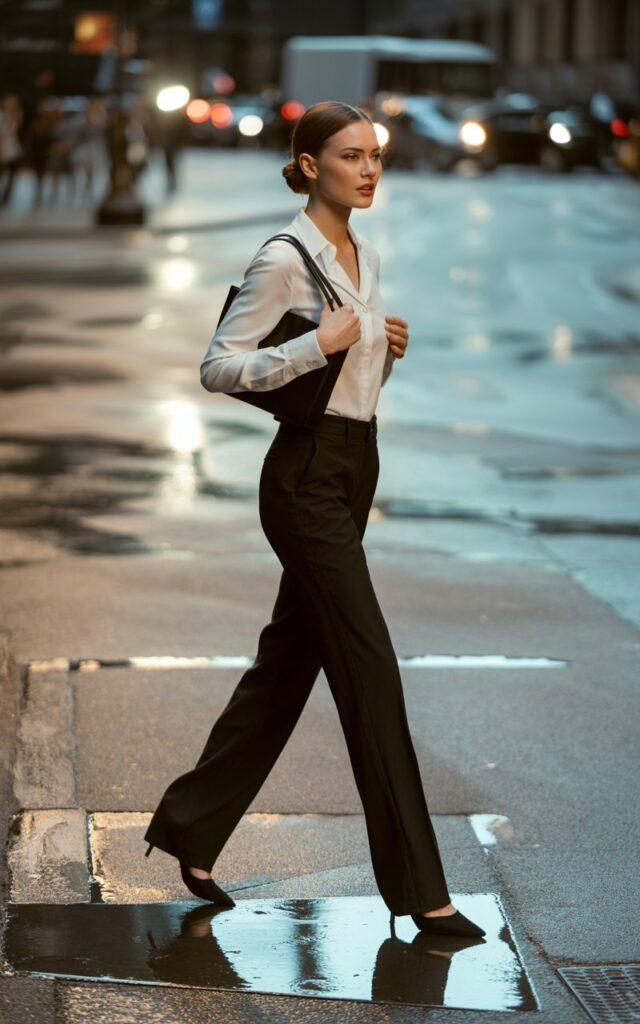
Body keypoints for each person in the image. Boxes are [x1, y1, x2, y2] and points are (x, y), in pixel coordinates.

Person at [145, 100, 484, 940]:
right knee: (370, 670)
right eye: (347, 155)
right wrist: (320, 347)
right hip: (302, 483)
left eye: (374, 155)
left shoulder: (362, 252)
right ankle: (422, 893)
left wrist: (378, 349)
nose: (367, 169)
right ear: (306, 165)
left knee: (287, 665)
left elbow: (351, 390)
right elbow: (218, 367)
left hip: (351, 470)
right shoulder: (283, 258)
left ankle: (190, 827)